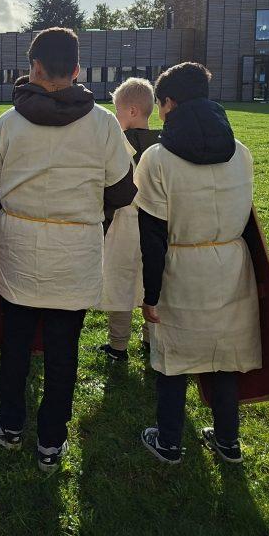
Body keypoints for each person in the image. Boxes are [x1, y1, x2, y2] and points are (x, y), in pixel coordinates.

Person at [0, 27, 137, 472]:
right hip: (75, 248)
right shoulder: (104, 122)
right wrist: (87, 208)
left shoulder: (8, 123)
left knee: (15, 342)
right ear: (77, 70)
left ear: (34, 68)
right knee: (63, 349)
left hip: (18, 246)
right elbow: (123, 190)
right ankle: (51, 441)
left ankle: (10, 425)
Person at [135, 62, 260, 465]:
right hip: (230, 262)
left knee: (173, 355)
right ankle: (228, 440)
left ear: (168, 103)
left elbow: (152, 235)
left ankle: (169, 440)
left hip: (180, 263)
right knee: (224, 351)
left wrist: (148, 294)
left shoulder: (156, 158)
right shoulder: (241, 152)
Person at [97, 78, 160, 363]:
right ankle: (151, 339)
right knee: (153, 282)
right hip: (157, 224)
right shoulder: (163, 147)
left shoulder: (120, 145)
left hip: (125, 223)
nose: (116, 116)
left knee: (121, 283)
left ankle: (118, 346)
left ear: (132, 111)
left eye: (118, 110)